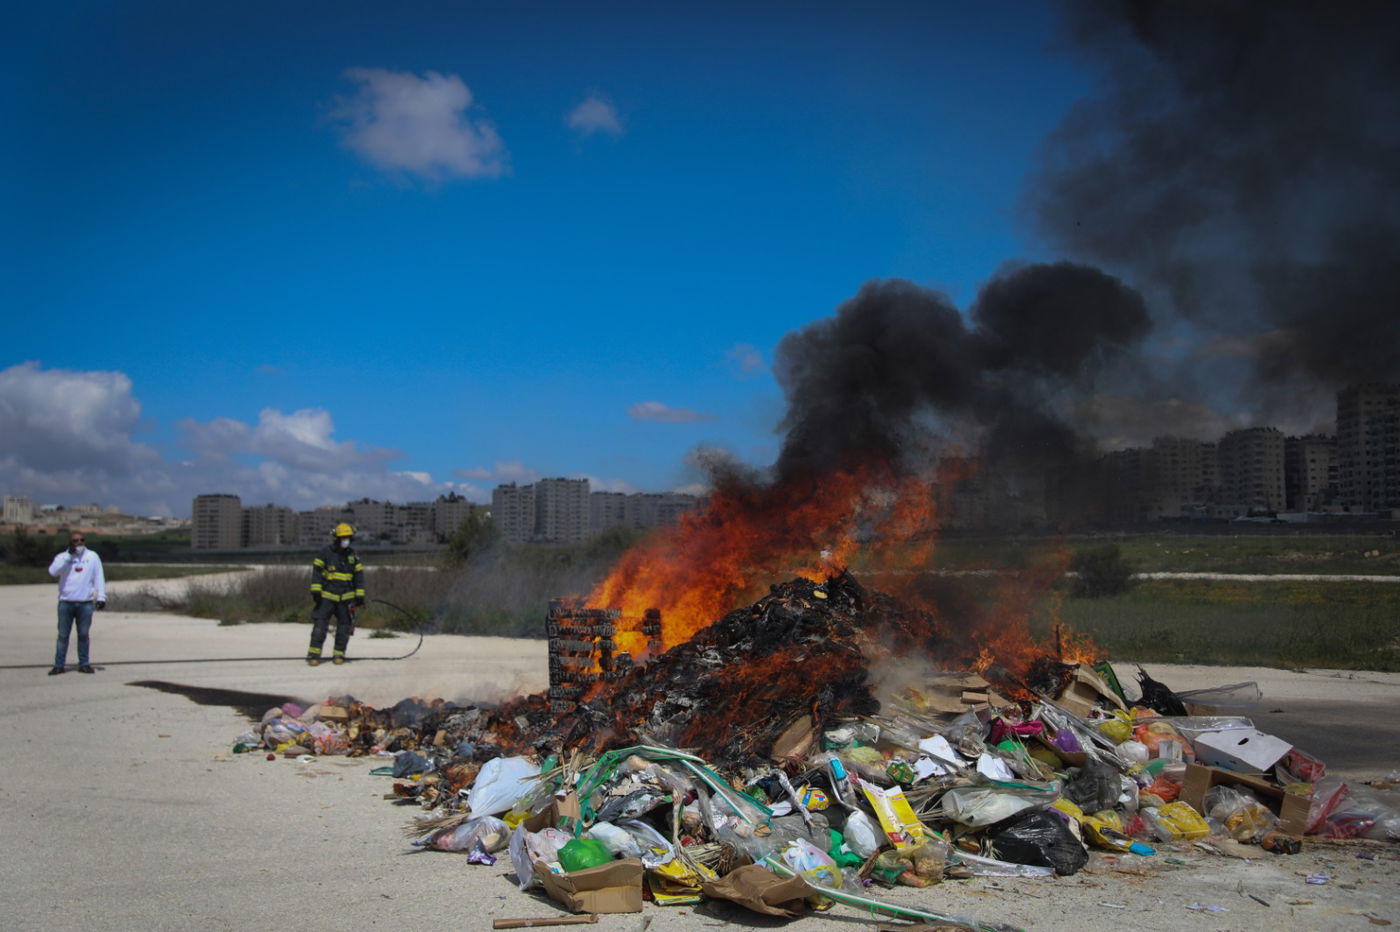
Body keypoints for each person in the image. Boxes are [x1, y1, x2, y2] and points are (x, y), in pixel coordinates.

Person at [307, 522, 365, 666]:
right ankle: (314, 655)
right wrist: (316, 590)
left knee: (344, 628)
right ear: (336, 538)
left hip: (346, 599)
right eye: (343, 537)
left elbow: (359, 576)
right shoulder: (325, 553)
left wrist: (360, 595)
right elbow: (317, 572)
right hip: (326, 598)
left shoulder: (353, 555)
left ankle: (339, 654)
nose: (345, 540)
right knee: (320, 627)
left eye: (348, 537)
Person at [48, 532, 106, 675]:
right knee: (63, 635)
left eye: (81, 540)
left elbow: (99, 576)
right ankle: (59, 665)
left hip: (85, 602)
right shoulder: (62, 557)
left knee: (83, 635)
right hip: (66, 602)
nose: (79, 543)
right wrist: (69, 556)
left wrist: (101, 597)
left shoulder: (92, 556)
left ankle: (84, 664)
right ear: (70, 542)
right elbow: (53, 571)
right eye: (75, 541)